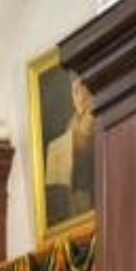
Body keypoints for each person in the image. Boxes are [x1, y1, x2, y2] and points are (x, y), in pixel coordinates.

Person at [44, 74, 95, 227]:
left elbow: (84, 141)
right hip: (74, 189)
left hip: (91, 187)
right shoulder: (72, 121)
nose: (79, 96)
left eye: (82, 89)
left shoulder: (95, 111)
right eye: (75, 91)